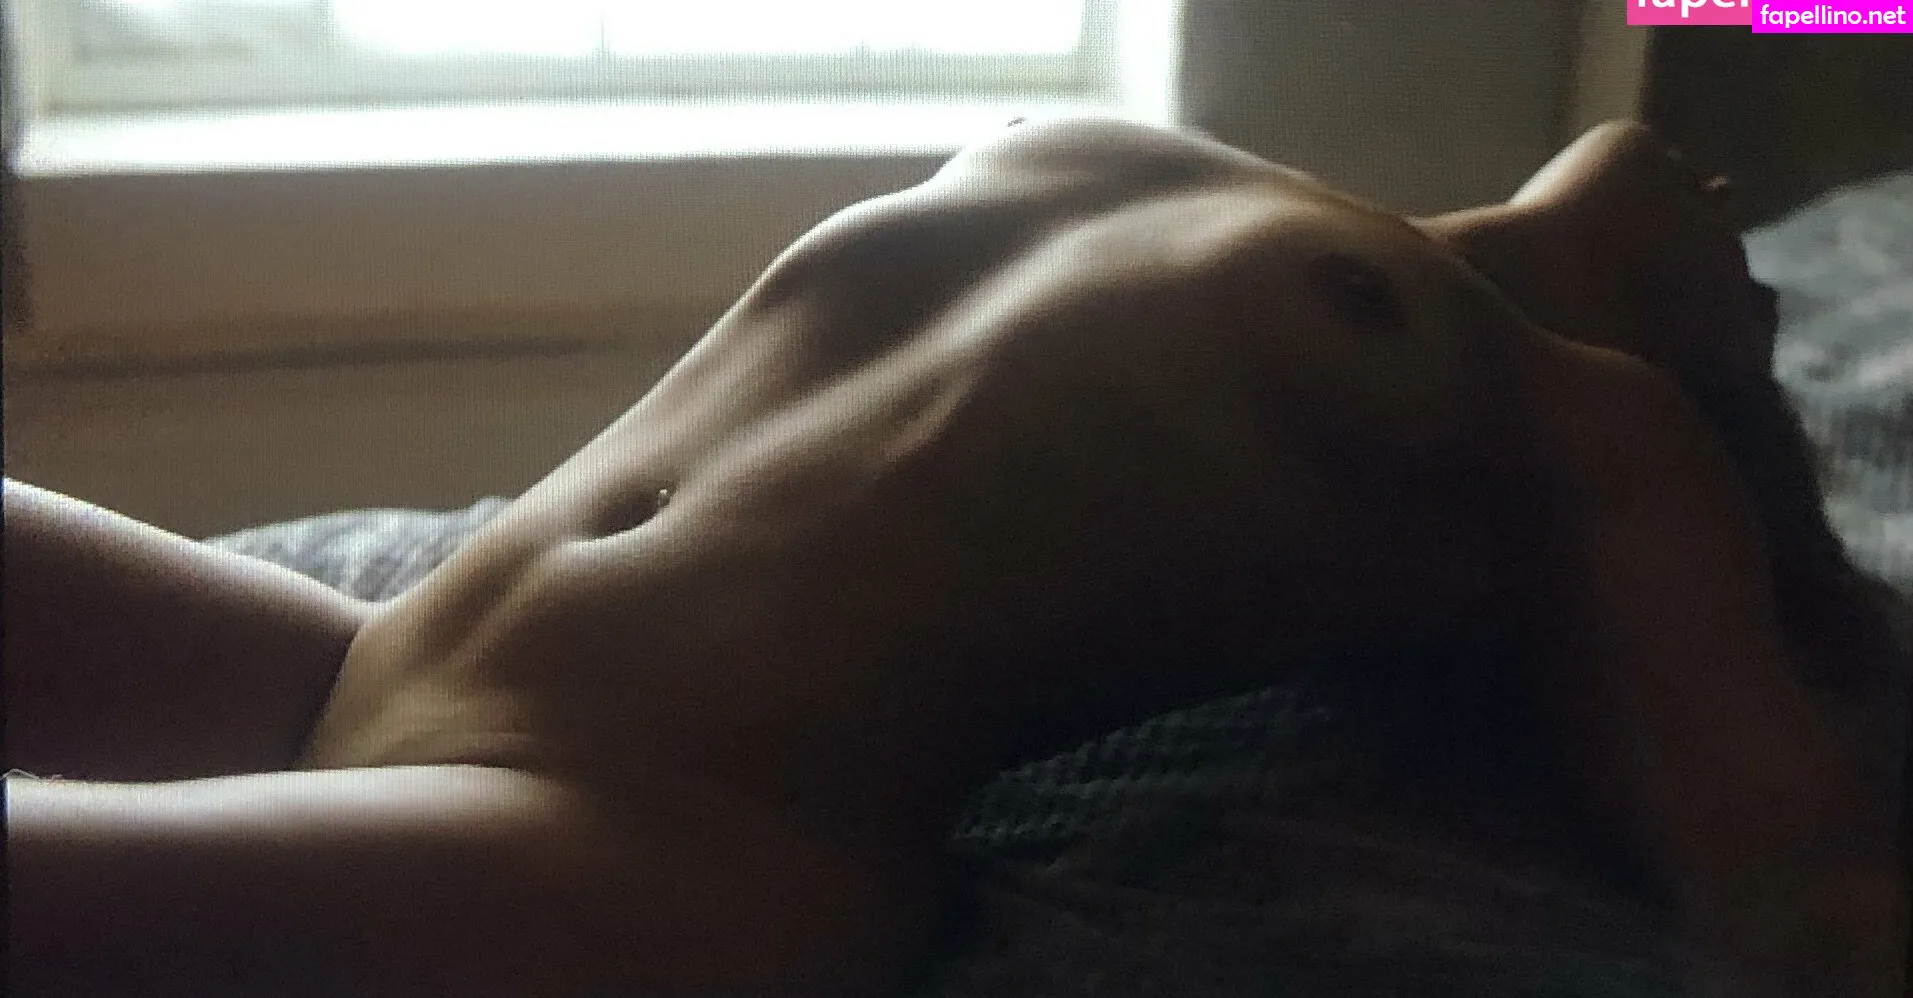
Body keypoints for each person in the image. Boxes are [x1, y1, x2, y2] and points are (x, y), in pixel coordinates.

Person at [7, 119, 1902, 997]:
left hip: (644, 824)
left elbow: (1792, 870)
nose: (1730, 207)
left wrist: (1762, 528)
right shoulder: (1192, 177)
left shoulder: (1588, 424)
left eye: (1753, 306)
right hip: (376, 656)